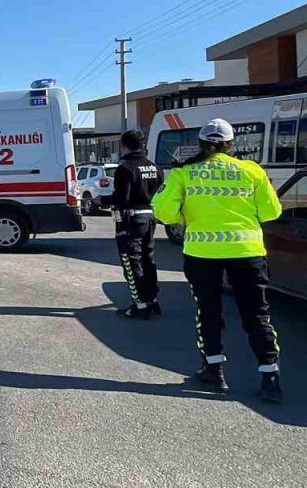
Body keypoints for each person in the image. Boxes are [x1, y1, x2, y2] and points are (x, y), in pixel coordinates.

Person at [153, 118, 284, 402]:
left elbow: (163, 212)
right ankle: (270, 376)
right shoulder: (252, 171)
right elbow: (272, 212)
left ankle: (214, 370)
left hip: (202, 253)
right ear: (231, 145)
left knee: (209, 311)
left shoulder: (184, 173)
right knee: (257, 314)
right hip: (247, 252)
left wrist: (186, 217)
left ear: (200, 144)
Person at [103, 130, 163, 319]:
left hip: (130, 220)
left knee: (131, 262)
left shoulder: (125, 168)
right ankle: (152, 300)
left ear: (124, 146)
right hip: (149, 216)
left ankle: (140, 305)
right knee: (148, 260)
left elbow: (122, 198)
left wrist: (101, 201)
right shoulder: (155, 167)